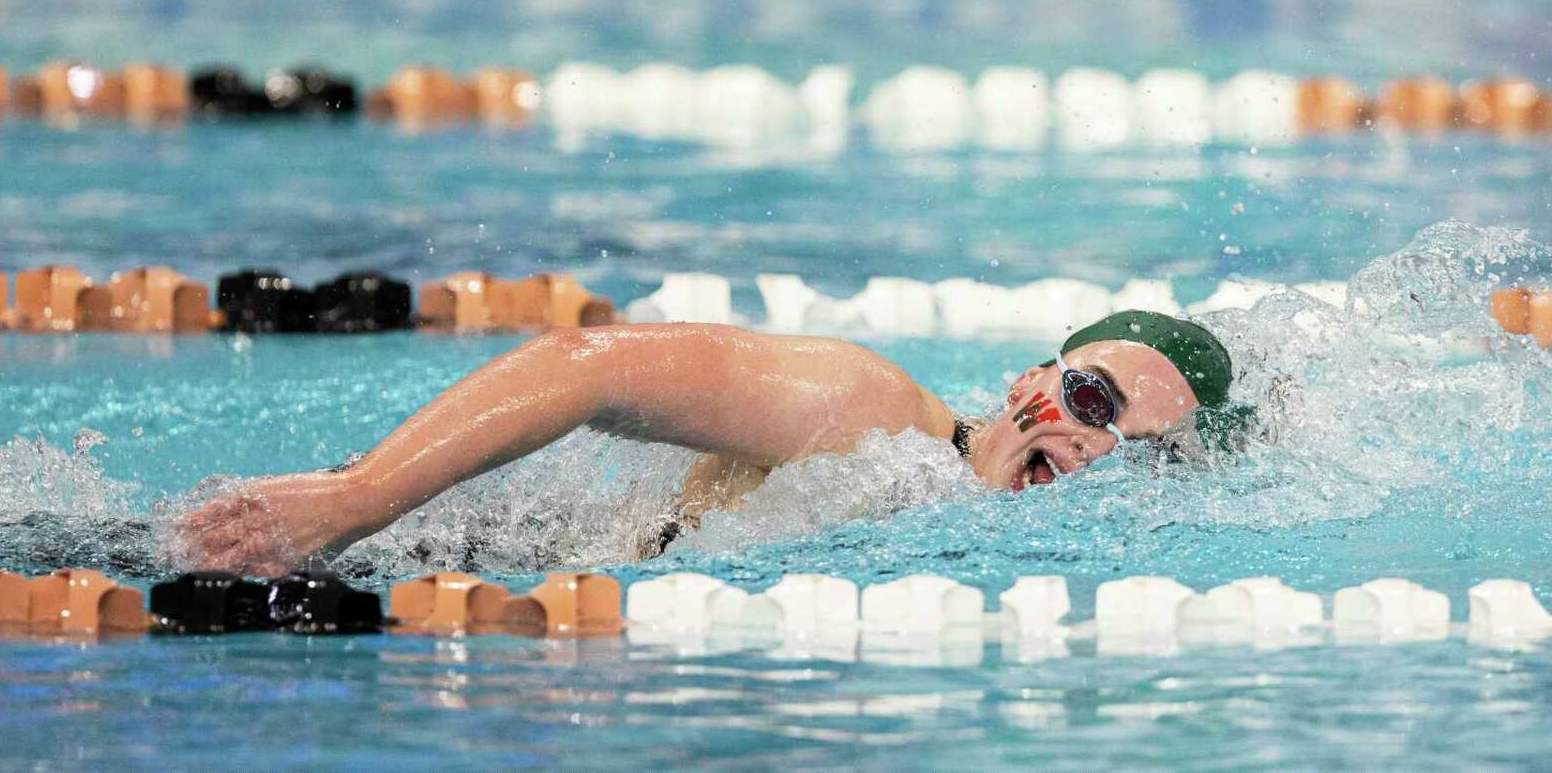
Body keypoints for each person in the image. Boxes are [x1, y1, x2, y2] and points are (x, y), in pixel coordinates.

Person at [177, 310, 1240, 576]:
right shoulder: (867, 411)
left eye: (1141, 445)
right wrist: (355, 500)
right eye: (1093, 399)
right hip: (447, 562)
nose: (1101, 448)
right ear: (1030, 383)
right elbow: (584, 364)